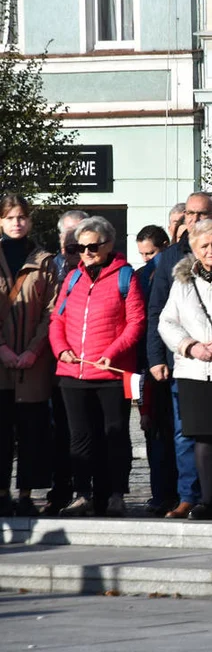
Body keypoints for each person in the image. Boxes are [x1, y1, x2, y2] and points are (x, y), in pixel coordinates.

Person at [147, 192, 212, 519]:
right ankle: (201, 499)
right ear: (193, 247)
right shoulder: (181, 276)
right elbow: (163, 318)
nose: (210, 250)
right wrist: (189, 346)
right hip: (192, 368)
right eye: (203, 245)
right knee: (198, 437)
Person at [49, 216, 145, 517]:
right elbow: (58, 319)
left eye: (93, 246)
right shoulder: (73, 278)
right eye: (80, 247)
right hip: (73, 372)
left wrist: (112, 353)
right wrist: (61, 348)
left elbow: (136, 321)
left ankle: (114, 494)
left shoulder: (125, 276)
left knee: (114, 434)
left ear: (108, 244)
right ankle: (83, 494)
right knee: (80, 436)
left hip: (110, 372)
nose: (86, 252)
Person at [0, 195, 58, 517]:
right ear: (1, 221)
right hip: (1, 362)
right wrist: (3, 349)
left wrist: (33, 350)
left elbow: (52, 312)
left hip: (34, 363)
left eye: (21, 217)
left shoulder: (44, 260)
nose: (17, 223)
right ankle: (1, 493)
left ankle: (25, 494)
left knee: (32, 431)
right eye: (10, 217)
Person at [41, 209, 87, 516]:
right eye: (66, 234)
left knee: (83, 429)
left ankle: (89, 490)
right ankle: (59, 489)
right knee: (56, 430)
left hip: (86, 361)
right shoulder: (49, 267)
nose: (71, 240)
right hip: (50, 361)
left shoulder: (94, 267)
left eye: (78, 234)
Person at [133, 224, 177, 517]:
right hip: (148, 361)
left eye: (152, 253)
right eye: (143, 255)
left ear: (165, 245)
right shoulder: (139, 277)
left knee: (177, 432)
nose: (148, 259)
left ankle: (178, 493)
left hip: (175, 354)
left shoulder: (175, 270)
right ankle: (160, 493)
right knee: (153, 431)